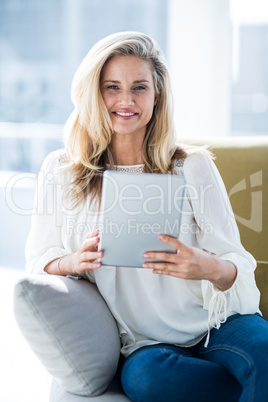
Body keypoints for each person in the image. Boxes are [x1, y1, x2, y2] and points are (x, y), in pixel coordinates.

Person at [25, 31, 268, 401]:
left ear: (157, 97)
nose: (126, 100)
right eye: (112, 87)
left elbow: (237, 263)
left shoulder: (191, 166)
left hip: (219, 323)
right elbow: (37, 263)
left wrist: (206, 267)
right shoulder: (61, 171)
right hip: (147, 343)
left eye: (139, 87)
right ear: (94, 93)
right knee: (146, 381)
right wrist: (72, 262)